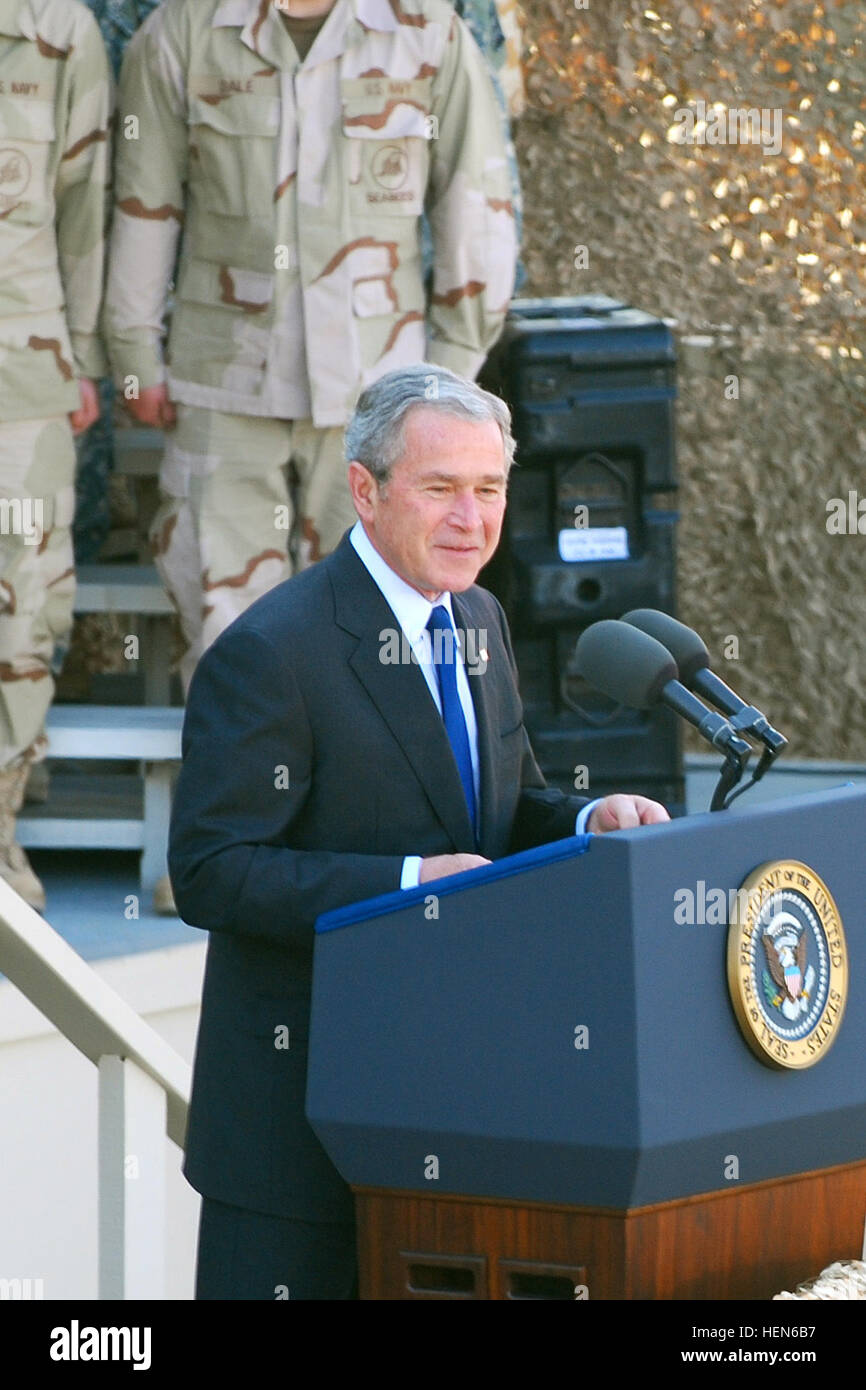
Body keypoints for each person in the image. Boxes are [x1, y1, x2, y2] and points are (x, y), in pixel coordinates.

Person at [169, 363, 669, 1300]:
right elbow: (212, 872)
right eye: (440, 488)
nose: (470, 519)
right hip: (298, 1143)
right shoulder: (272, 654)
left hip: (452, 1121)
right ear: (365, 488)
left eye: (488, 490)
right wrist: (406, 884)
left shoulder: (478, 616)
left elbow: (503, 808)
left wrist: (589, 816)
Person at [103, 0, 519, 695]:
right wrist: (135, 354)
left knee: (386, 634)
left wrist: (446, 379)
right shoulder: (185, 32)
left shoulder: (424, 31)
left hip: (384, 396)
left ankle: (369, 805)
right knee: (225, 635)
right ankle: (246, 802)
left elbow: (476, 205)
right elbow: (146, 202)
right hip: (224, 384)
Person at [0, 0, 112, 908]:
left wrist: (83, 354)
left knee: (22, 601)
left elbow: (84, 204)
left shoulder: (56, 29)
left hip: (23, 373)